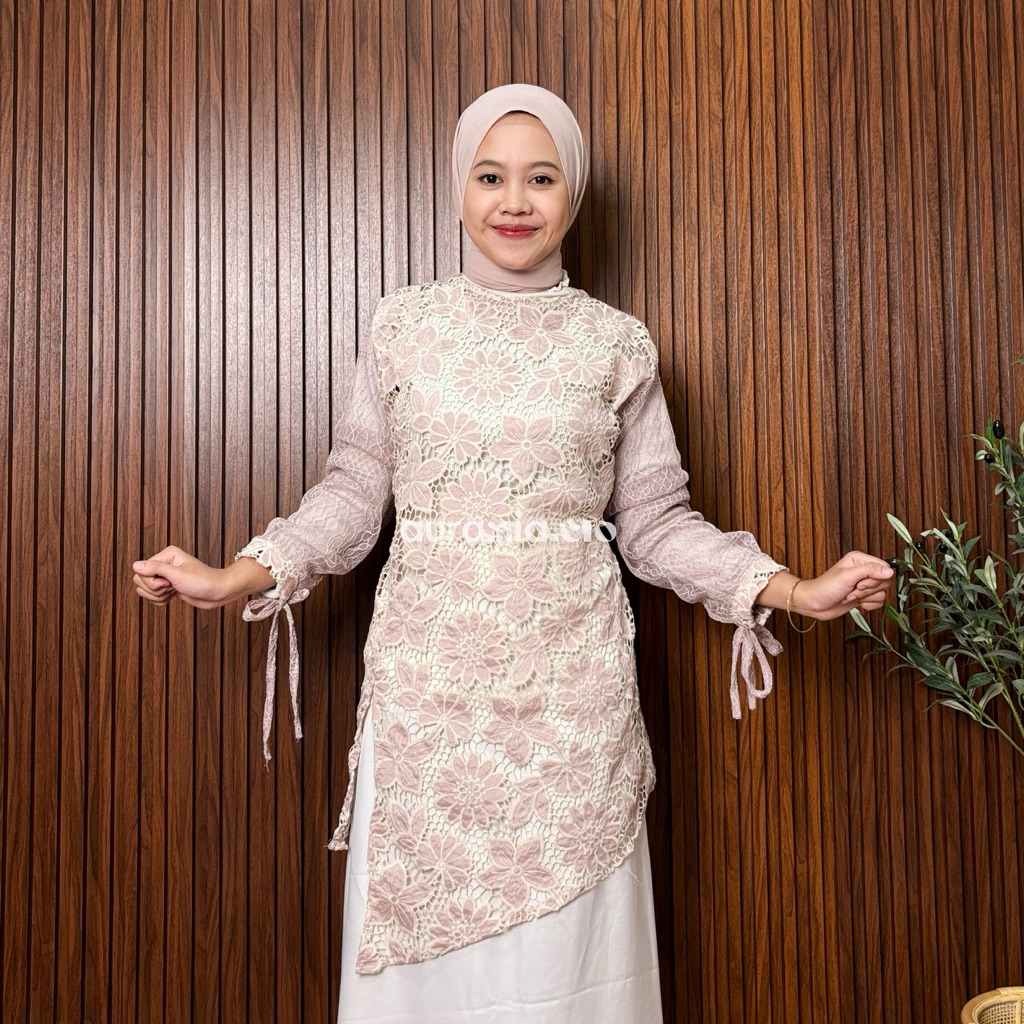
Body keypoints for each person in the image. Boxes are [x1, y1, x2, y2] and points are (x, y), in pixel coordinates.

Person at [133, 84, 892, 1024]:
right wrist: (235, 575)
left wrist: (791, 589)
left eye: (541, 178)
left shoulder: (617, 344)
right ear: (460, 188)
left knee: (567, 971)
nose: (515, 202)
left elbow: (656, 524)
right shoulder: (402, 326)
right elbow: (353, 494)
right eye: (491, 177)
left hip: (572, 699)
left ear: (573, 194)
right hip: (429, 694)